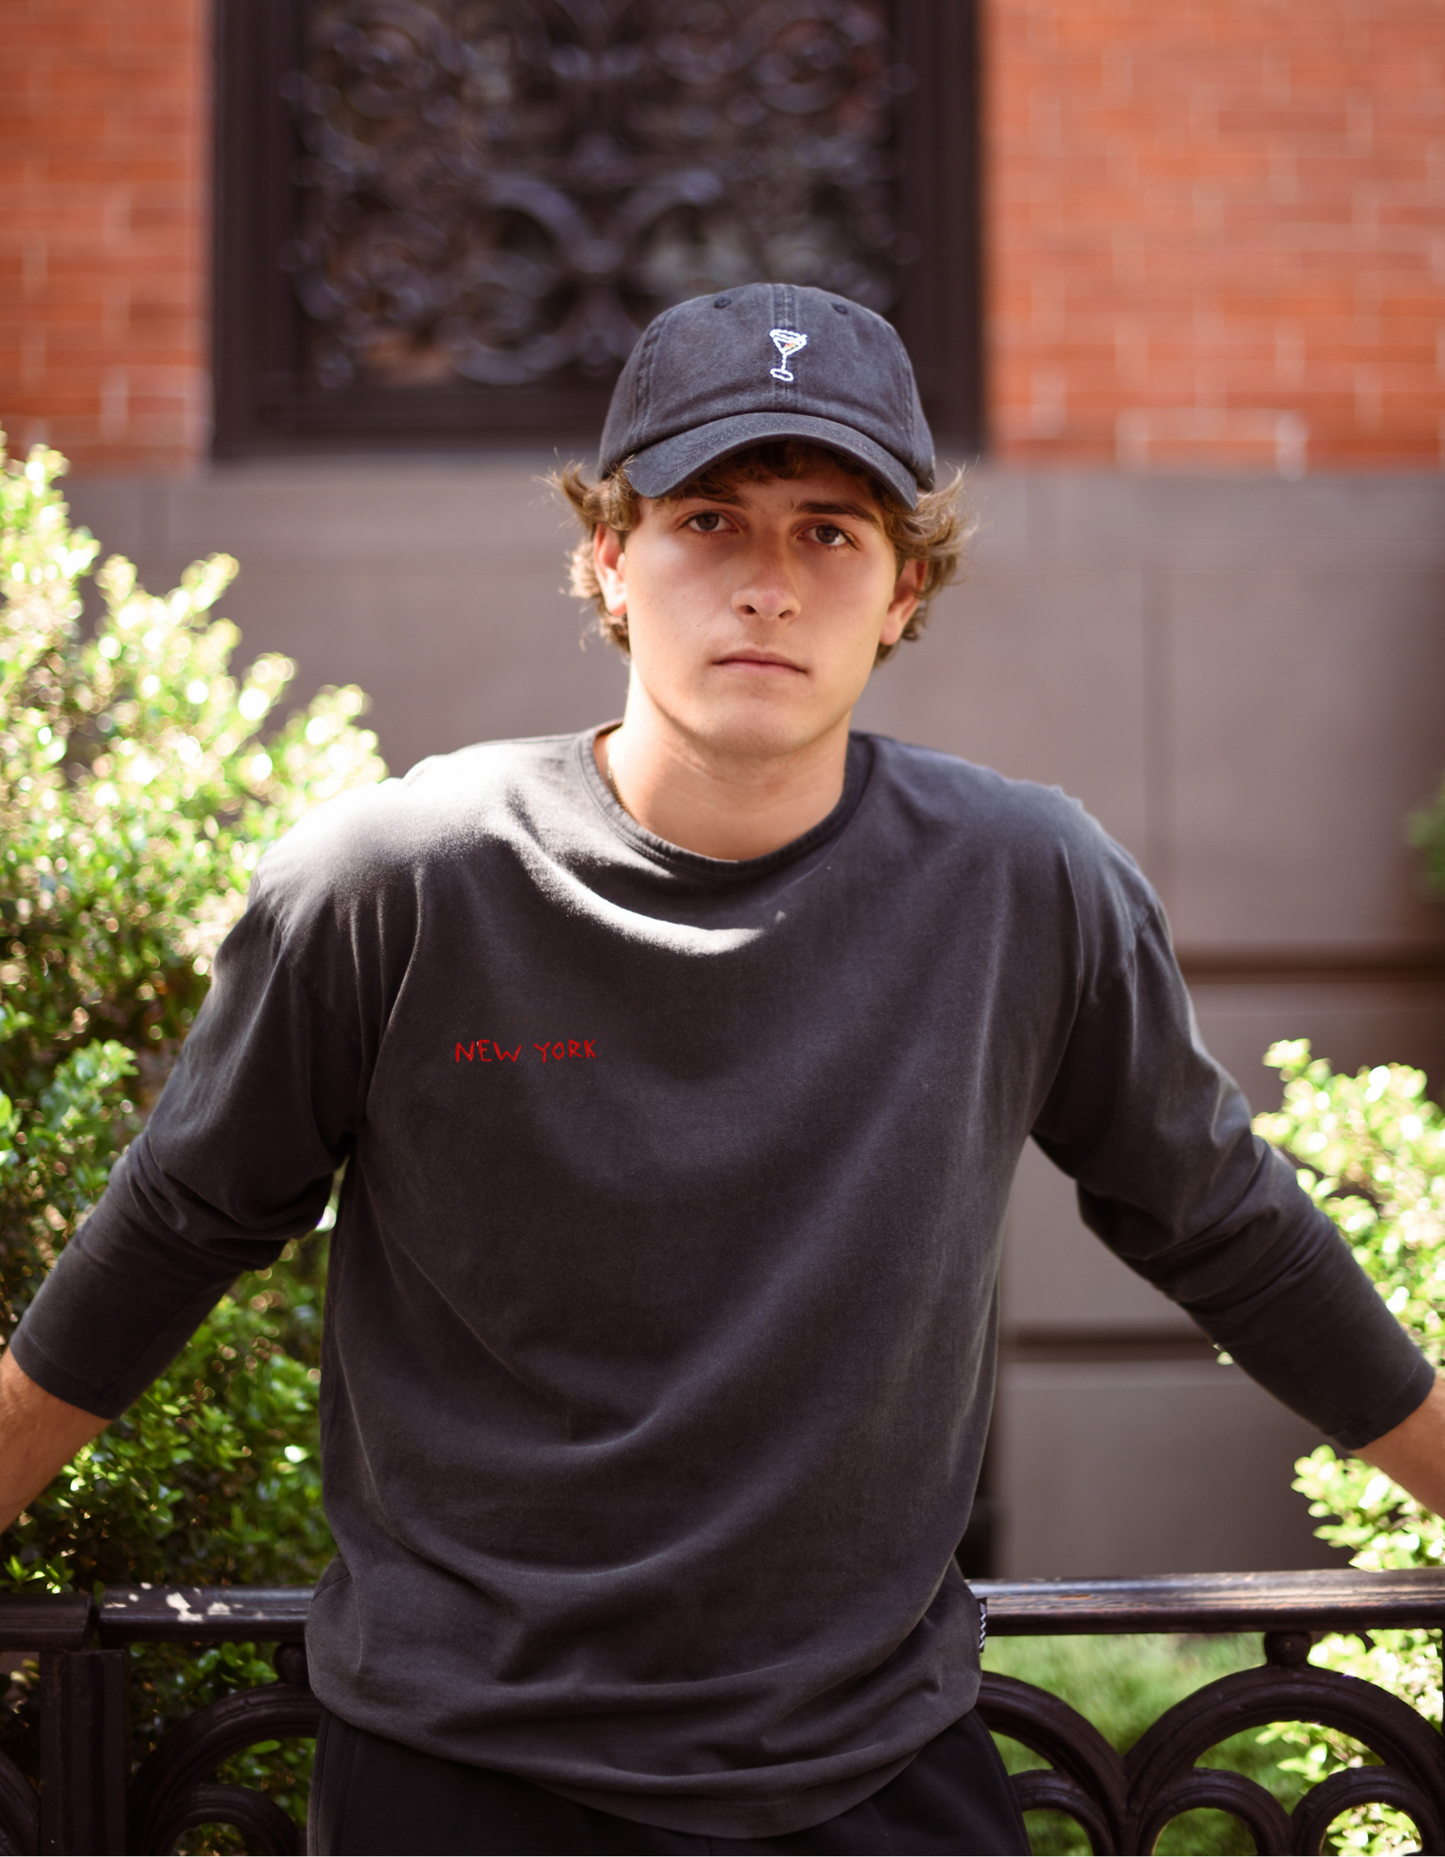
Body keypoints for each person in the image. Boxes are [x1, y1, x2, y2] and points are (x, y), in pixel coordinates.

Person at [1, 282, 1443, 1857]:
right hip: (460, 1773)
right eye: (708, 521)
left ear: (904, 587)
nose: (767, 584)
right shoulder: (397, 884)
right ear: (609, 559)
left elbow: (1222, 1224)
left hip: (873, 1771)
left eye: (830, 532)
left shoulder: (1023, 884)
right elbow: (180, 1222)